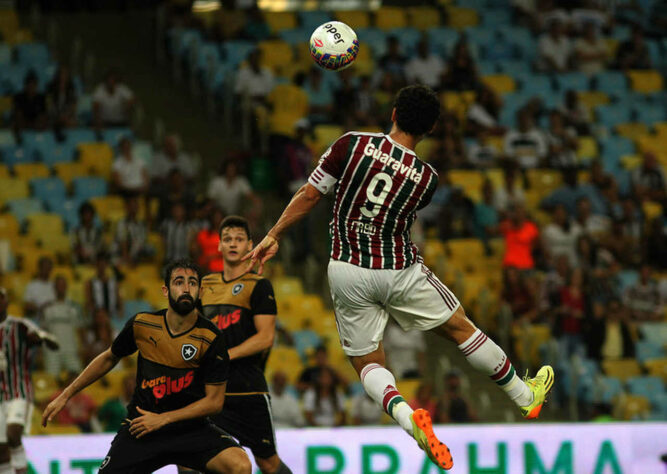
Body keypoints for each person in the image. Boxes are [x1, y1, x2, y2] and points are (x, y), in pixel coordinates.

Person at [245, 85, 554, 471]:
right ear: (430, 129)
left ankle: (410, 419)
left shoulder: (351, 144)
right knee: (461, 329)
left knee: (367, 363)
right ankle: (525, 396)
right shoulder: (427, 179)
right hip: (397, 268)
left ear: (393, 113)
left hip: (347, 268)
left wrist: (273, 234)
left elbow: (310, 194)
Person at [42, 260, 251, 474]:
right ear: (165, 290)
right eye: (179, 282)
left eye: (192, 283)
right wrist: (66, 394)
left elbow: (214, 403)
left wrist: (163, 419)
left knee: (241, 466)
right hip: (142, 426)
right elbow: (108, 358)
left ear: (201, 291)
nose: (186, 288)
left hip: (190, 429)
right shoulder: (142, 324)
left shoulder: (212, 337)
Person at [199, 216, 292, 474]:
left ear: (250, 245)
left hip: (247, 390)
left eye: (239, 239)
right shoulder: (204, 286)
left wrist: (223, 356)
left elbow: (265, 338)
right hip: (210, 393)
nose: (233, 244)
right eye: (227, 239)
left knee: (267, 462)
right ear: (219, 246)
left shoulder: (259, 285)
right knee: (189, 458)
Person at [0, 287, 59, 474]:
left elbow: (53, 342)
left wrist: (40, 338)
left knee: (13, 433)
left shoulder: (20, 325)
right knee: (1, 448)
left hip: (19, 390)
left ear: (7, 302)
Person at [42, 275, 85, 376]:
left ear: (66, 287)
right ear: (54, 288)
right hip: (52, 351)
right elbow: (43, 331)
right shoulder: (47, 307)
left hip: (71, 349)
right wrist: (41, 351)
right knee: (52, 378)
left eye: (63, 285)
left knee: (77, 378)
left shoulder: (74, 307)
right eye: (58, 285)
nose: (60, 288)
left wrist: (82, 347)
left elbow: (80, 329)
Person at [85, 252, 122, 322]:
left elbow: (119, 299)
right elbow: (89, 302)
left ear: (106, 265)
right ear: (96, 266)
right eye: (99, 265)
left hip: (112, 315)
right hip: (97, 318)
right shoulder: (90, 283)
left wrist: (120, 312)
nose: (101, 267)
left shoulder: (114, 283)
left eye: (103, 264)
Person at [23, 256, 56, 321]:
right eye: (44, 267)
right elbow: (27, 305)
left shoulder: (55, 286)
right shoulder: (31, 285)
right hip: (37, 318)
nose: (46, 270)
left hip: (53, 318)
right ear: (39, 268)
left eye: (48, 268)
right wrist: (41, 308)